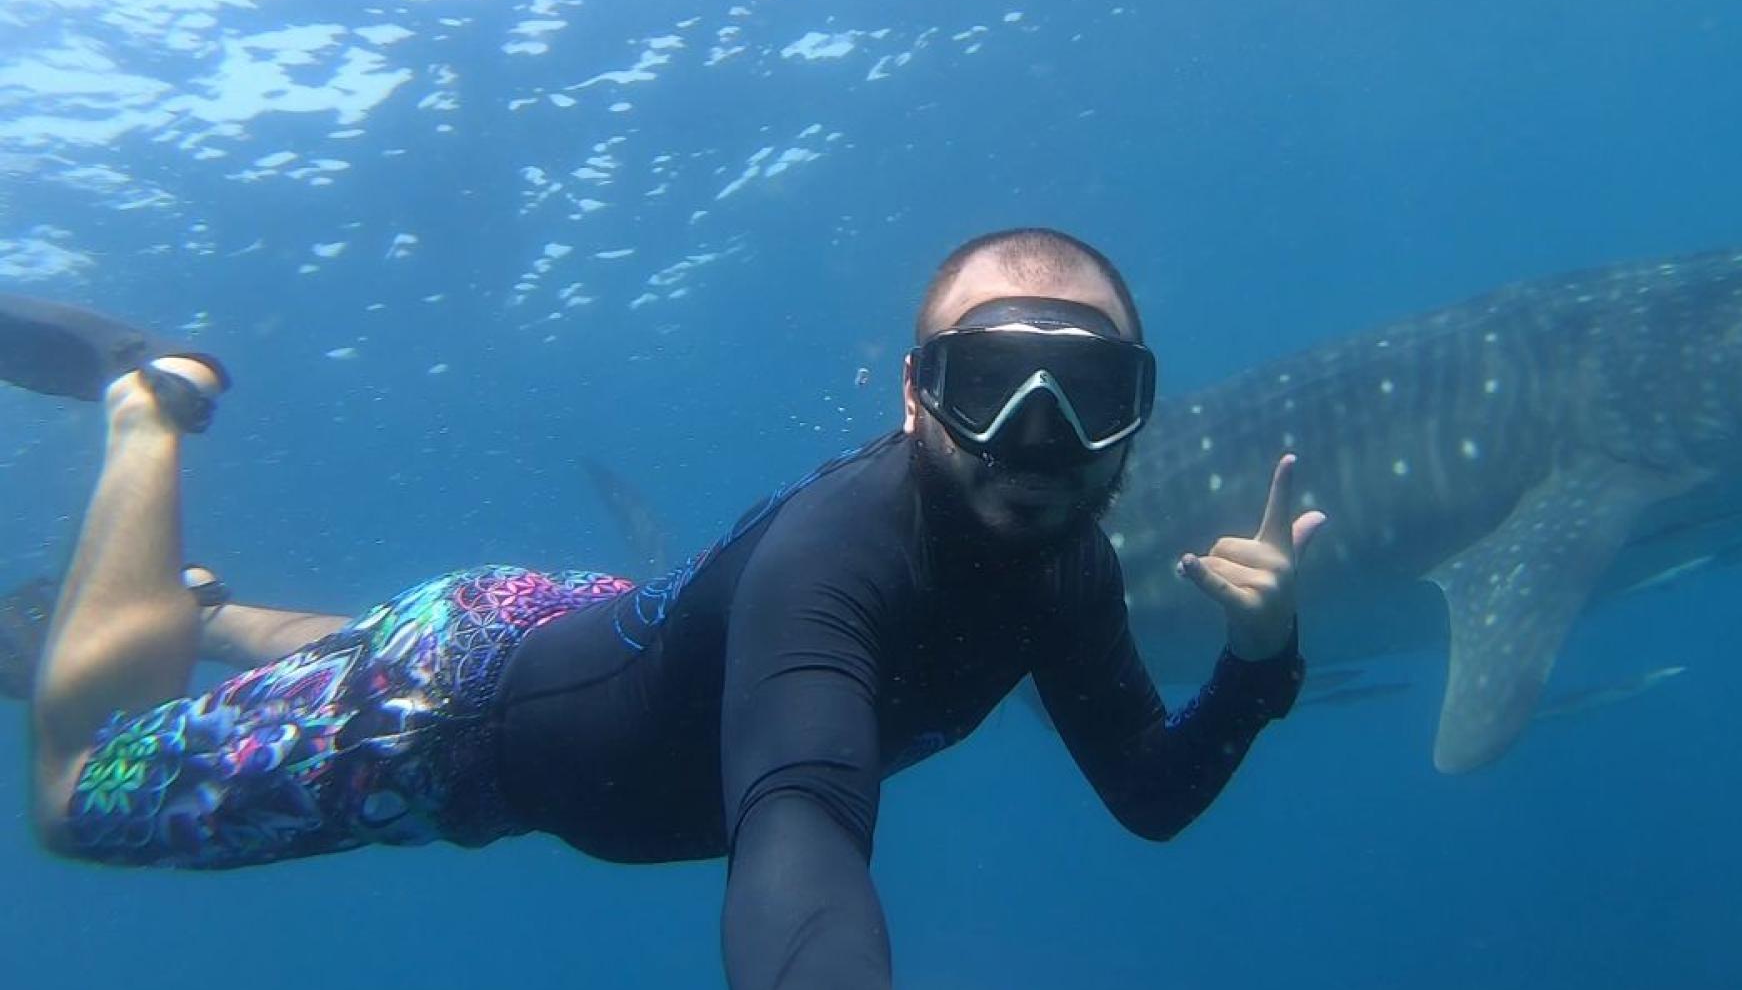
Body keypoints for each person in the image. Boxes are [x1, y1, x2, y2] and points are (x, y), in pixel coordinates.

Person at [4, 228, 1325, 989]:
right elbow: (795, 838)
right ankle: (145, 400)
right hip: (434, 723)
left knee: (387, 656)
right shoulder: (836, 568)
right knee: (73, 794)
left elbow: (1149, 793)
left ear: (1134, 415)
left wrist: (1258, 665)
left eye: (1087, 394)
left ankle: (213, 611)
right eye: (991, 384)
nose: (1039, 437)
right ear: (913, 398)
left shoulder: (1071, 571)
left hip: (561, 631)